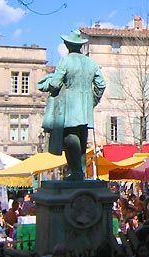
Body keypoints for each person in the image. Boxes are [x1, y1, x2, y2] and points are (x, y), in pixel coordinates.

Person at [37, 30, 106, 181]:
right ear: (80, 46)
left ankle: (76, 172)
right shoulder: (91, 63)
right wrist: (92, 102)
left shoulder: (66, 61)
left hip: (69, 110)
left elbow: (55, 84)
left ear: (68, 45)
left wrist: (48, 81)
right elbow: (101, 85)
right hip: (85, 111)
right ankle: (79, 172)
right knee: (81, 142)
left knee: (69, 139)